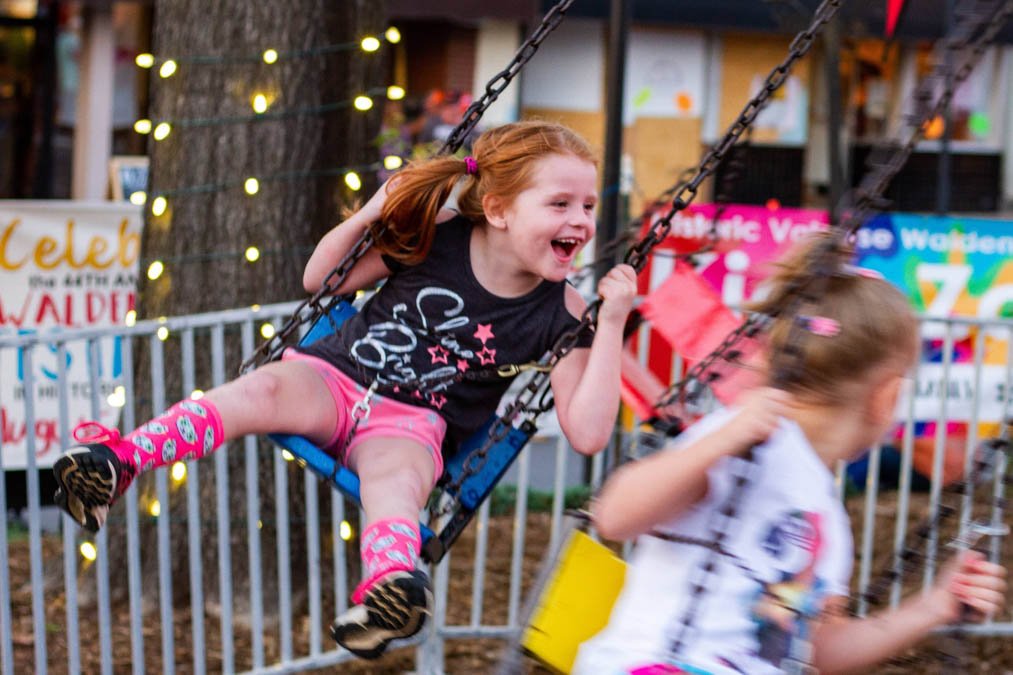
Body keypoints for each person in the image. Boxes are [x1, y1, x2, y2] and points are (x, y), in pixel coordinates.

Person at [52, 120, 638, 660]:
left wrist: (610, 323)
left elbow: (586, 433)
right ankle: (116, 461)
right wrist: (373, 213)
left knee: (398, 485)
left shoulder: (564, 312)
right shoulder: (439, 237)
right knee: (254, 394)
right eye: (560, 204)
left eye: (587, 205)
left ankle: (389, 593)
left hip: (412, 424)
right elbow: (321, 280)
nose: (581, 221)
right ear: (500, 209)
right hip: (332, 377)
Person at [573, 234, 1007, 674]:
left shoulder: (825, 520)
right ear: (888, 397)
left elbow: (819, 650)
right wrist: (717, 444)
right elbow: (616, 515)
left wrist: (935, 605)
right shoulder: (745, 438)